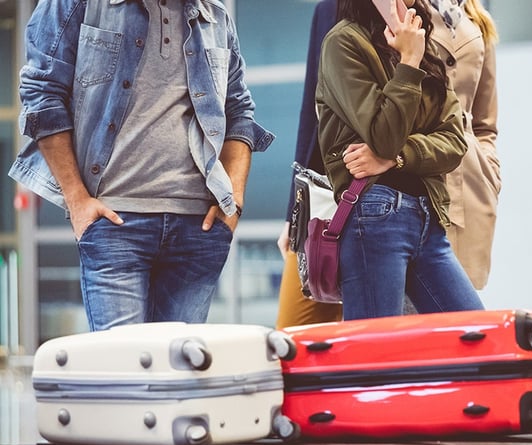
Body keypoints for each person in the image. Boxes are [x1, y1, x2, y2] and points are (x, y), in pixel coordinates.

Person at [10, 0, 274, 331]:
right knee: (124, 375)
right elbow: (41, 94)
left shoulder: (214, 13)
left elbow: (239, 111)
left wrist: (233, 200)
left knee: (179, 376)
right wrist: (77, 201)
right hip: (115, 222)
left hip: (199, 230)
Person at [315, 0, 485, 320]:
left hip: (428, 215)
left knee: (474, 332)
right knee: (376, 354)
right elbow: (384, 136)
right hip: (375, 211)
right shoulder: (344, 42)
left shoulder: (424, 46)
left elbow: (454, 143)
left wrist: (399, 158)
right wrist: (408, 60)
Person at [276, 0, 344, 329]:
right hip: (328, 200)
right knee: (294, 337)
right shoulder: (329, 8)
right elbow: (311, 117)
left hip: (406, 197)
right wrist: (295, 212)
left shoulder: (445, 13)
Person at [428, 0, 501, 290]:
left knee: (463, 313)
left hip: (470, 180)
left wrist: (490, 170)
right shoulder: (397, 11)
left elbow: (486, 123)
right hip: (416, 177)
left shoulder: (477, 21)